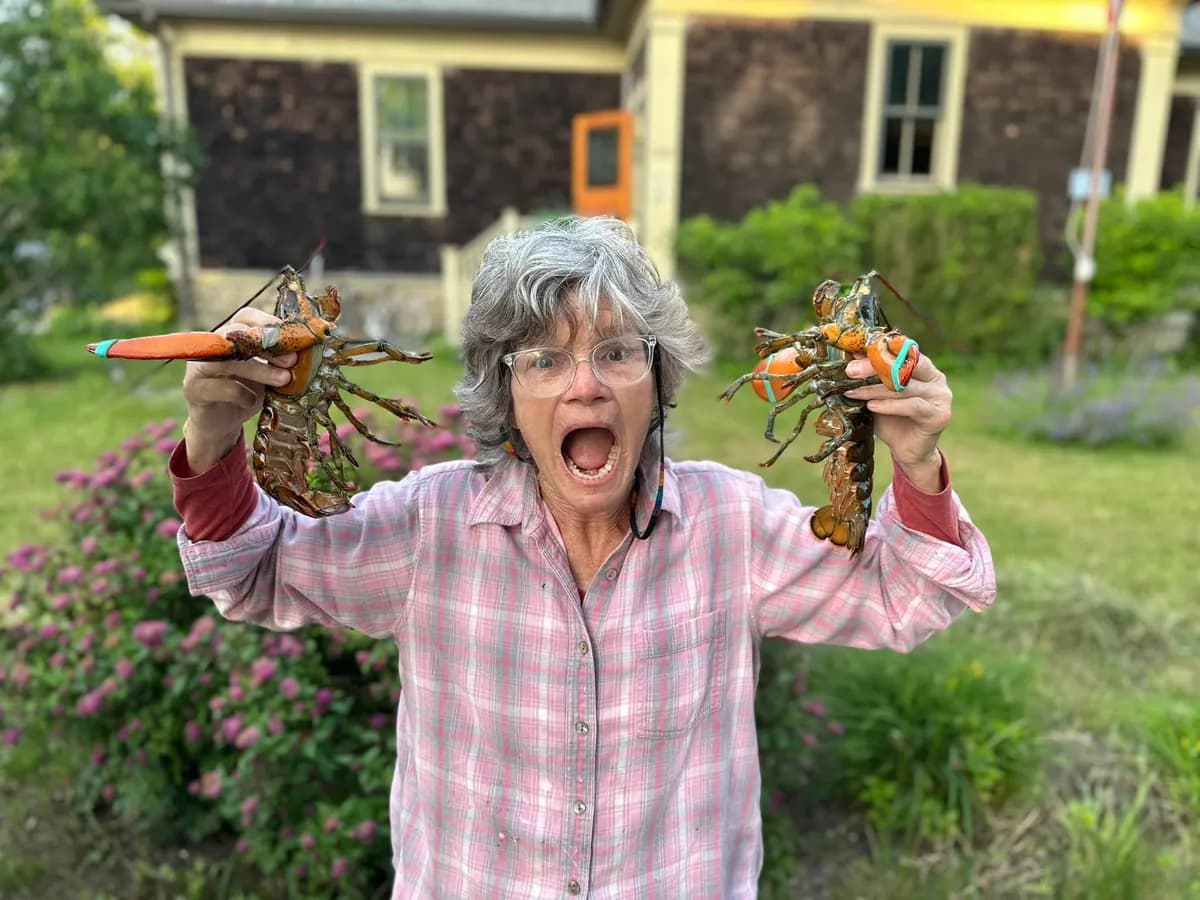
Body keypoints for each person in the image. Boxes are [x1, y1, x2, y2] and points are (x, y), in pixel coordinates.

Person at [170, 215, 994, 898]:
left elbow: (903, 596)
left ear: (658, 377)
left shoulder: (730, 526)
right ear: (507, 396)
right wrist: (211, 435)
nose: (586, 387)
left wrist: (917, 463)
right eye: (543, 359)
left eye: (617, 352)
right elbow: (251, 569)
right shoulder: (429, 526)